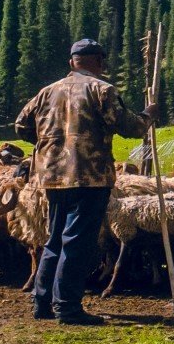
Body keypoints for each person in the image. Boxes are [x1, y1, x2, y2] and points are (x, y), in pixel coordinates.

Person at [14, 37, 158, 325]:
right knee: (77, 242)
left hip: (52, 176)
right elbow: (128, 126)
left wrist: (48, 146)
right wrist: (147, 116)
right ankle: (67, 307)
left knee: (54, 239)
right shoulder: (101, 90)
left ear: (72, 62)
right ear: (99, 62)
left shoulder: (47, 92)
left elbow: (21, 125)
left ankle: (42, 303)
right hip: (89, 175)